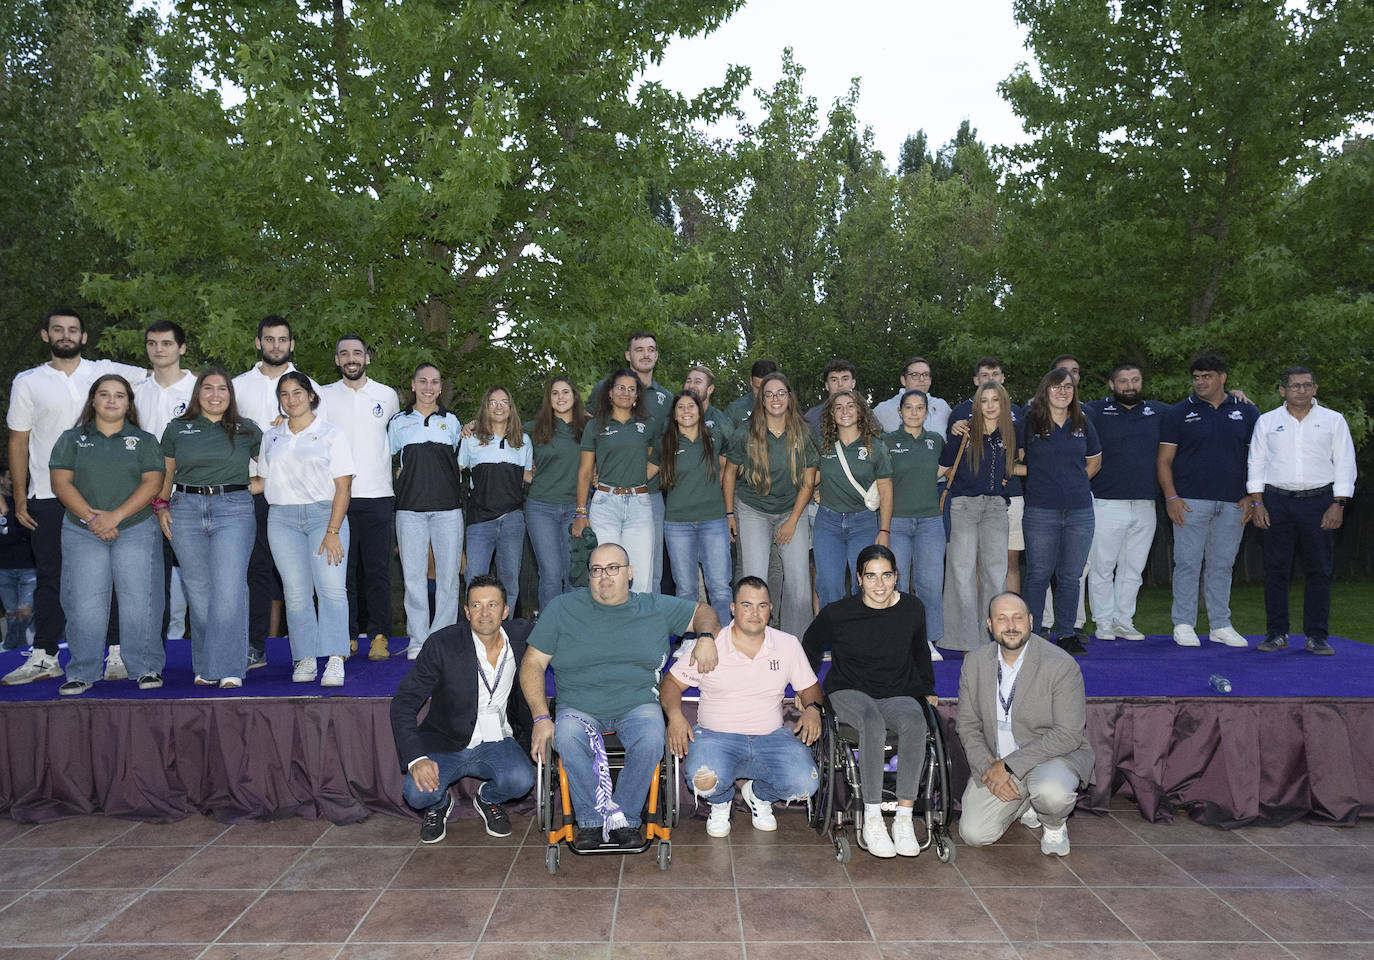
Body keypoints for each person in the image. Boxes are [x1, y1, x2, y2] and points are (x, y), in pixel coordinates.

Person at [519, 542, 721, 848]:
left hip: (637, 703)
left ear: (629, 573)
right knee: (566, 735)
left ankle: (624, 818)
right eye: (596, 570)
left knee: (653, 736)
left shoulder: (653, 606)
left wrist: (705, 637)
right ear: (588, 576)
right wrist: (540, 717)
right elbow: (532, 663)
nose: (604, 577)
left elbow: (704, 611)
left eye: (613, 568)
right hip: (579, 705)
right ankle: (589, 820)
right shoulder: (562, 609)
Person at [3, 308, 146, 686]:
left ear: (84, 337)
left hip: (109, 496)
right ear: (45, 335)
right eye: (58, 330)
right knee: (52, 577)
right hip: (48, 496)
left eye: (73, 330)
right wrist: (20, 497)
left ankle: (116, 653)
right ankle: (45, 654)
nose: (66, 335)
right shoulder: (28, 381)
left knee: (114, 577)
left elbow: (162, 376)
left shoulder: (105, 372)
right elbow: (18, 441)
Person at [662, 576, 822, 837]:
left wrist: (813, 708)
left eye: (762, 606)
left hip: (771, 738)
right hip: (716, 737)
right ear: (733, 609)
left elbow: (810, 687)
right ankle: (720, 801)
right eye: (746, 605)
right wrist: (675, 716)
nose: (755, 613)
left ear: (771, 609)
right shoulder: (710, 644)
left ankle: (758, 795)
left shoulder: (787, 644)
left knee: (805, 784)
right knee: (704, 783)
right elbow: (670, 683)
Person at [803, 544, 936, 858]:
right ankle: (873, 818)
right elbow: (808, 645)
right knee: (872, 722)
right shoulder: (838, 613)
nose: (880, 584)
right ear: (859, 579)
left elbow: (920, 652)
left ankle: (903, 819)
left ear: (896, 577)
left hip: (896, 691)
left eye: (886, 575)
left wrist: (926, 688)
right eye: (871, 576)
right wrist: (806, 691)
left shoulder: (913, 608)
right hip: (850, 690)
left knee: (916, 719)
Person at [390, 574, 536, 843]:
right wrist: (416, 758)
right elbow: (403, 702)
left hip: (497, 740)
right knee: (417, 793)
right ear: (466, 611)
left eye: (492, 605)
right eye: (476, 605)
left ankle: (488, 799)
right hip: (446, 740)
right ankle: (438, 805)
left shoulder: (522, 637)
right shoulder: (442, 644)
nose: (484, 612)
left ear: (505, 611)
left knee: (521, 780)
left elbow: (563, 638)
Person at [48, 375, 165, 694]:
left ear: (129, 403)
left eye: (119, 395)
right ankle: (83, 670)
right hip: (82, 530)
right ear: (93, 401)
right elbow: (60, 482)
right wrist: (92, 518)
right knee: (83, 603)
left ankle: (145, 667)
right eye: (104, 394)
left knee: (140, 601)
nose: (112, 400)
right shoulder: (71, 439)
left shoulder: (144, 440)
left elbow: (152, 483)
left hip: (135, 527)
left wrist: (115, 516)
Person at [956, 592, 1095, 857]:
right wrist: (990, 769)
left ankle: (1053, 824)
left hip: (1052, 758)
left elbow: (1068, 734)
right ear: (989, 625)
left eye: (1018, 618)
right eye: (1002, 619)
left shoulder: (1061, 665)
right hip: (997, 760)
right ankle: (1026, 802)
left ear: (1031, 621)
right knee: (974, 834)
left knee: (1051, 792)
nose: (1010, 626)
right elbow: (967, 724)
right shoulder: (974, 662)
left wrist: (1009, 766)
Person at [233, 315, 329, 668]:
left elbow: (324, 438)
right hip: (252, 492)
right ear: (258, 342)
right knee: (254, 571)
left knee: (311, 578)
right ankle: (254, 646)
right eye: (269, 339)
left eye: (282, 339)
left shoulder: (310, 387)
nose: (276, 345)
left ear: (292, 344)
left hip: (303, 499)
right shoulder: (238, 387)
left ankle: (313, 648)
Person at [157, 369, 261, 688]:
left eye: (222, 389)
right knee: (200, 594)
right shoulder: (177, 428)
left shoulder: (247, 430)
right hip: (185, 510)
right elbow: (166, 473)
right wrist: (160, 506)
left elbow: (279, 462)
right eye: (208, 388)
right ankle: (205, 663)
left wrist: (251, 486)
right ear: (197, 393)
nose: (215, 395)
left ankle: (229, 666)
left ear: (231, 395)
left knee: (228, 591)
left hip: (233, 510)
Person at [1248, 366, 1357, 656]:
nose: (1301, 390)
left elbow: (1345, 463)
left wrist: (1339, 503)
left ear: (1315, 389)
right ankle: (1276, 633)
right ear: (1282, 390)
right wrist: (1257, 502)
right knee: (1275, 571)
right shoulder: (1267, 421)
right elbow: (1255, 463)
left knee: (1319, 570)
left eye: (1307, 385)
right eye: (1294, 386)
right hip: (1276, 502)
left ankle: (1317, 636)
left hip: (1320, 502)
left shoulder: (1334, 421)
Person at [1157, 354, 1259, 648]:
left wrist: (1253, 496)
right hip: (1189, 502)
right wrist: (1171, 497)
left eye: (1207, 376)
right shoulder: (1179, 413)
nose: (1200, 382)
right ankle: (1184, 624)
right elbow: (1164, 460)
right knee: (1187, 563)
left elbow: (1259, 458)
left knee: (1223, 565)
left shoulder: (1247, 412)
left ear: (1222, 378)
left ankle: (1220, 625)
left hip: (1234, 503)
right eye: (1196, 377)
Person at [260, 372, 355, 687]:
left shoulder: (332, 434)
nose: (291, 399)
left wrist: (332, 530)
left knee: (330, 589)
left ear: (311, 396)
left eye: (297, 392)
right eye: (284, 394)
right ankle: (305, 657)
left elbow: (344, 486)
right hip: (282, 520)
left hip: (324, 518)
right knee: (296, 594)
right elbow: (262, 481)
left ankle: (334, 658)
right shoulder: (271, 436)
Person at [319, 334, 400, 661]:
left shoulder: (387, 396)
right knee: (342, 571)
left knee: (378, 570)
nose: (351, 358)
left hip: (379, 494)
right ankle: (347, 634)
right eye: (344, 354)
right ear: (337, 360)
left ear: (367, 358)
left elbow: (398, 441)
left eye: (357, 353)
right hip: (337, 497)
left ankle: (380, 635)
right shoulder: (322, 397)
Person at [722, 372, 819, 636]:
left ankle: (798, 645)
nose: (775, 399)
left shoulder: (804, 433)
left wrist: (792, 521)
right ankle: (752, 640)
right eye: (769, 394)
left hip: (791, 510)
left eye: (781, 393)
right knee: (754, 578)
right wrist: (729, 513)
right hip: (753, 509)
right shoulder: (746, 432)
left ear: (789, 397)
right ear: (762, 400)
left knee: (799, 581)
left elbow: (808, 483)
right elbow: (729, 472)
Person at [1016, 368, 1101, 655]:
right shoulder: (1030, 422)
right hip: (1040, 510)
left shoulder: (1083, 421)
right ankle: (1032, 633)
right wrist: (1040, 476)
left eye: (1067, 386)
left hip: (1079, 511)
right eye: (1056, 386)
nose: (1062, 391)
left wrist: (1074, 482)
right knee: (1039, 574)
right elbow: (1012, 458)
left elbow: (1095, 461)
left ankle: (1066, 634)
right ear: (1045, 390)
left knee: (1070, 576)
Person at [1081, 365, 1169, 641]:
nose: (1129, 386)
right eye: (1123, 381)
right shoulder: (1095, 411)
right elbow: (1060, 409)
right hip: (1107, 503)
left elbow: (1197, 407)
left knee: (1133, 570)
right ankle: (1104, 622)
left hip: (1145, 504)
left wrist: (1235, 395)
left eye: (1135, 380)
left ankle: (1124, 621)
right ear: (1111, 384)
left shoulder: (1159, 411)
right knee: (1102, 567)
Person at [388, 363, 463, 659]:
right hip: (410, 510)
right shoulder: (398, 422)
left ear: (441, 387)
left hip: (448, 510)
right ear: (413, 384)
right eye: (423, 381)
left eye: (434, 382)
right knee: (413, 578)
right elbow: (390, 463)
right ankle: (418, 640)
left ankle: (442, 638)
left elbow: (461, 461)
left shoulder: (453, 422)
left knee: (448, 578)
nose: (429, 387)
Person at [940, 382, 1022, 652]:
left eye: (995, 400)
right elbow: (941, 469)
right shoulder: (963, 432)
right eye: (984, 400)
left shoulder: (1010, 433)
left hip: (996, 507)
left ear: (1003, 404)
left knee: (995, 574)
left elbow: (1014, 465)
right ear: (977, 404)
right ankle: (966, 640)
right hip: (964, 506)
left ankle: (990, 640)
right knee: (962, 574)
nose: (989, 405)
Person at [133, 319, 196, 643]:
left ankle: (204, 651)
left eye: (167, 343)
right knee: (151, 581)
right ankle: (151, 654)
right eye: (152, 343)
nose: (159, 349)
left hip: (190, 495)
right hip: (142, 499)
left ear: (182, 347)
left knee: (197, 578)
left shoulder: (199, 390)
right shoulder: (136, 392)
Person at [574, 369, 658, 593]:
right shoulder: (595, 426)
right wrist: (581, 513)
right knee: (605, 574)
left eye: (632, 389)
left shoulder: (647, 425)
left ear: (638, 395)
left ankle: (639, 626)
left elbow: (653, 460)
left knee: (640, 576)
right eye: (621, 387)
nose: (626, 393)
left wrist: (634, 478)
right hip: (604, 504)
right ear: (610, 393)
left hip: (639, 504)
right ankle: (606, 626)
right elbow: (584, 471)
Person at [948, 357, 1027, 595]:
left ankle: (1007, 619)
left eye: (995, 374)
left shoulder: (1017, 415)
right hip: (970, 501)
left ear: (1002, 378)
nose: (990, 379)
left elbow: (1020, 457)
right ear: (976, 381)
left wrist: (1007, 472)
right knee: (971, 566)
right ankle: (976, 623)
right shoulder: (961, 414)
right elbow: (954, 462)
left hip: (1009, 498)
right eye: (985, 375)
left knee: (1006, 564)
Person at [656, 390, 732, 626]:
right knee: (686, 589)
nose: (686, 411)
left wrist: (728, 510)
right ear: (674, 414)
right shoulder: (666, 443)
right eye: (681, 407)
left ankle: (724, 641)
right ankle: (690, 638)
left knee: (719, 587)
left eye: (691, 406)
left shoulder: (715, 437)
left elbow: (728, 469)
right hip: (678, 524)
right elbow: (646, 474)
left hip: (714, 521)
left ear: (700, 411)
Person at [813, 389, 893, 610]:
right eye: (838, 407)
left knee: (866, 584)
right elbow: (808, 479)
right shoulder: (824, 446)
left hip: (863, 523)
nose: (844, 411)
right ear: (831, 415)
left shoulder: (876, 446)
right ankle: (831, 642)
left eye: (850, 406)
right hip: (828, 523)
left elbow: (886, 490)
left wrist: (884, 531)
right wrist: (813, 491)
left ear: (860, 412)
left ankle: (863, 640)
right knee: (829, 585)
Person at [882, 389, 948, 659]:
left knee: (930, 584)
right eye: (908, 407)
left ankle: (927, 640)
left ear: (926, 411)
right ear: (900, 411)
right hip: (896, 521)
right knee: (895, 583)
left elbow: (945, 471)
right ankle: (896, 640)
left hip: (930, 522)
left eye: (919, 407)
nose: (913, 412)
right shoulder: (886, 442)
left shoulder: (936, 441)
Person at [460, 385, 533, 616]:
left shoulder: (523, 440)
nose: (499, 406)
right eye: (493, 402)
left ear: (511, 408)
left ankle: (506, 632)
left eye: (504, 402)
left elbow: (529, 476)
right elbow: (454, 468)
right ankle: (474, 635)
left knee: (510, 582)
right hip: (480, 521)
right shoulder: (471, 439)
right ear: (486, 407)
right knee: (474, 579)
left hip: (512, 519)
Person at [525, 376, 591, 613]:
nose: (561, 397)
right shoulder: (533, 428)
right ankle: (548, 631)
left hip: (577, 509)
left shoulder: (588, 427)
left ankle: (573, 631)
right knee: (551, 574)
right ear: (548, 398)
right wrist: (471, 426)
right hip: (541, 508)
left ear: (574, 397)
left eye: (566, 392)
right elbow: (499, 428)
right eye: (555, 393)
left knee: (574, 573)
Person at [0, 459, 36, 651]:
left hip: (27, 567)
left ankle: (12, 645)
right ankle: (16, 652)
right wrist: (9, 525)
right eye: (8, 477)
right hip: (3, 568)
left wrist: (5, 523)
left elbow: (29, 532)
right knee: (12, 614)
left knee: (25, 611)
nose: (13, 480)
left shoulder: (22, 501)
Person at [873, 356, 952, 437]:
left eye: (925, 374)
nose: (922, 379)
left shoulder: (942, 407)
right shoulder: (883, 410)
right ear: (903, 380)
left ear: (930, 380)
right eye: (915, 375)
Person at [803, 359, 857, 439]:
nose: (840, 384)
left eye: (845, 379)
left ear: (853, 383)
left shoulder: (866, 414)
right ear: (827, 385)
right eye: (834, 380)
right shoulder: (812, 417)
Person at [725, 359, 778, 433]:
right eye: (757, 388)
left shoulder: (788, 409)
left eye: (767, 390)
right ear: (751, 381)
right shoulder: (735, 410)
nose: (761, 394)